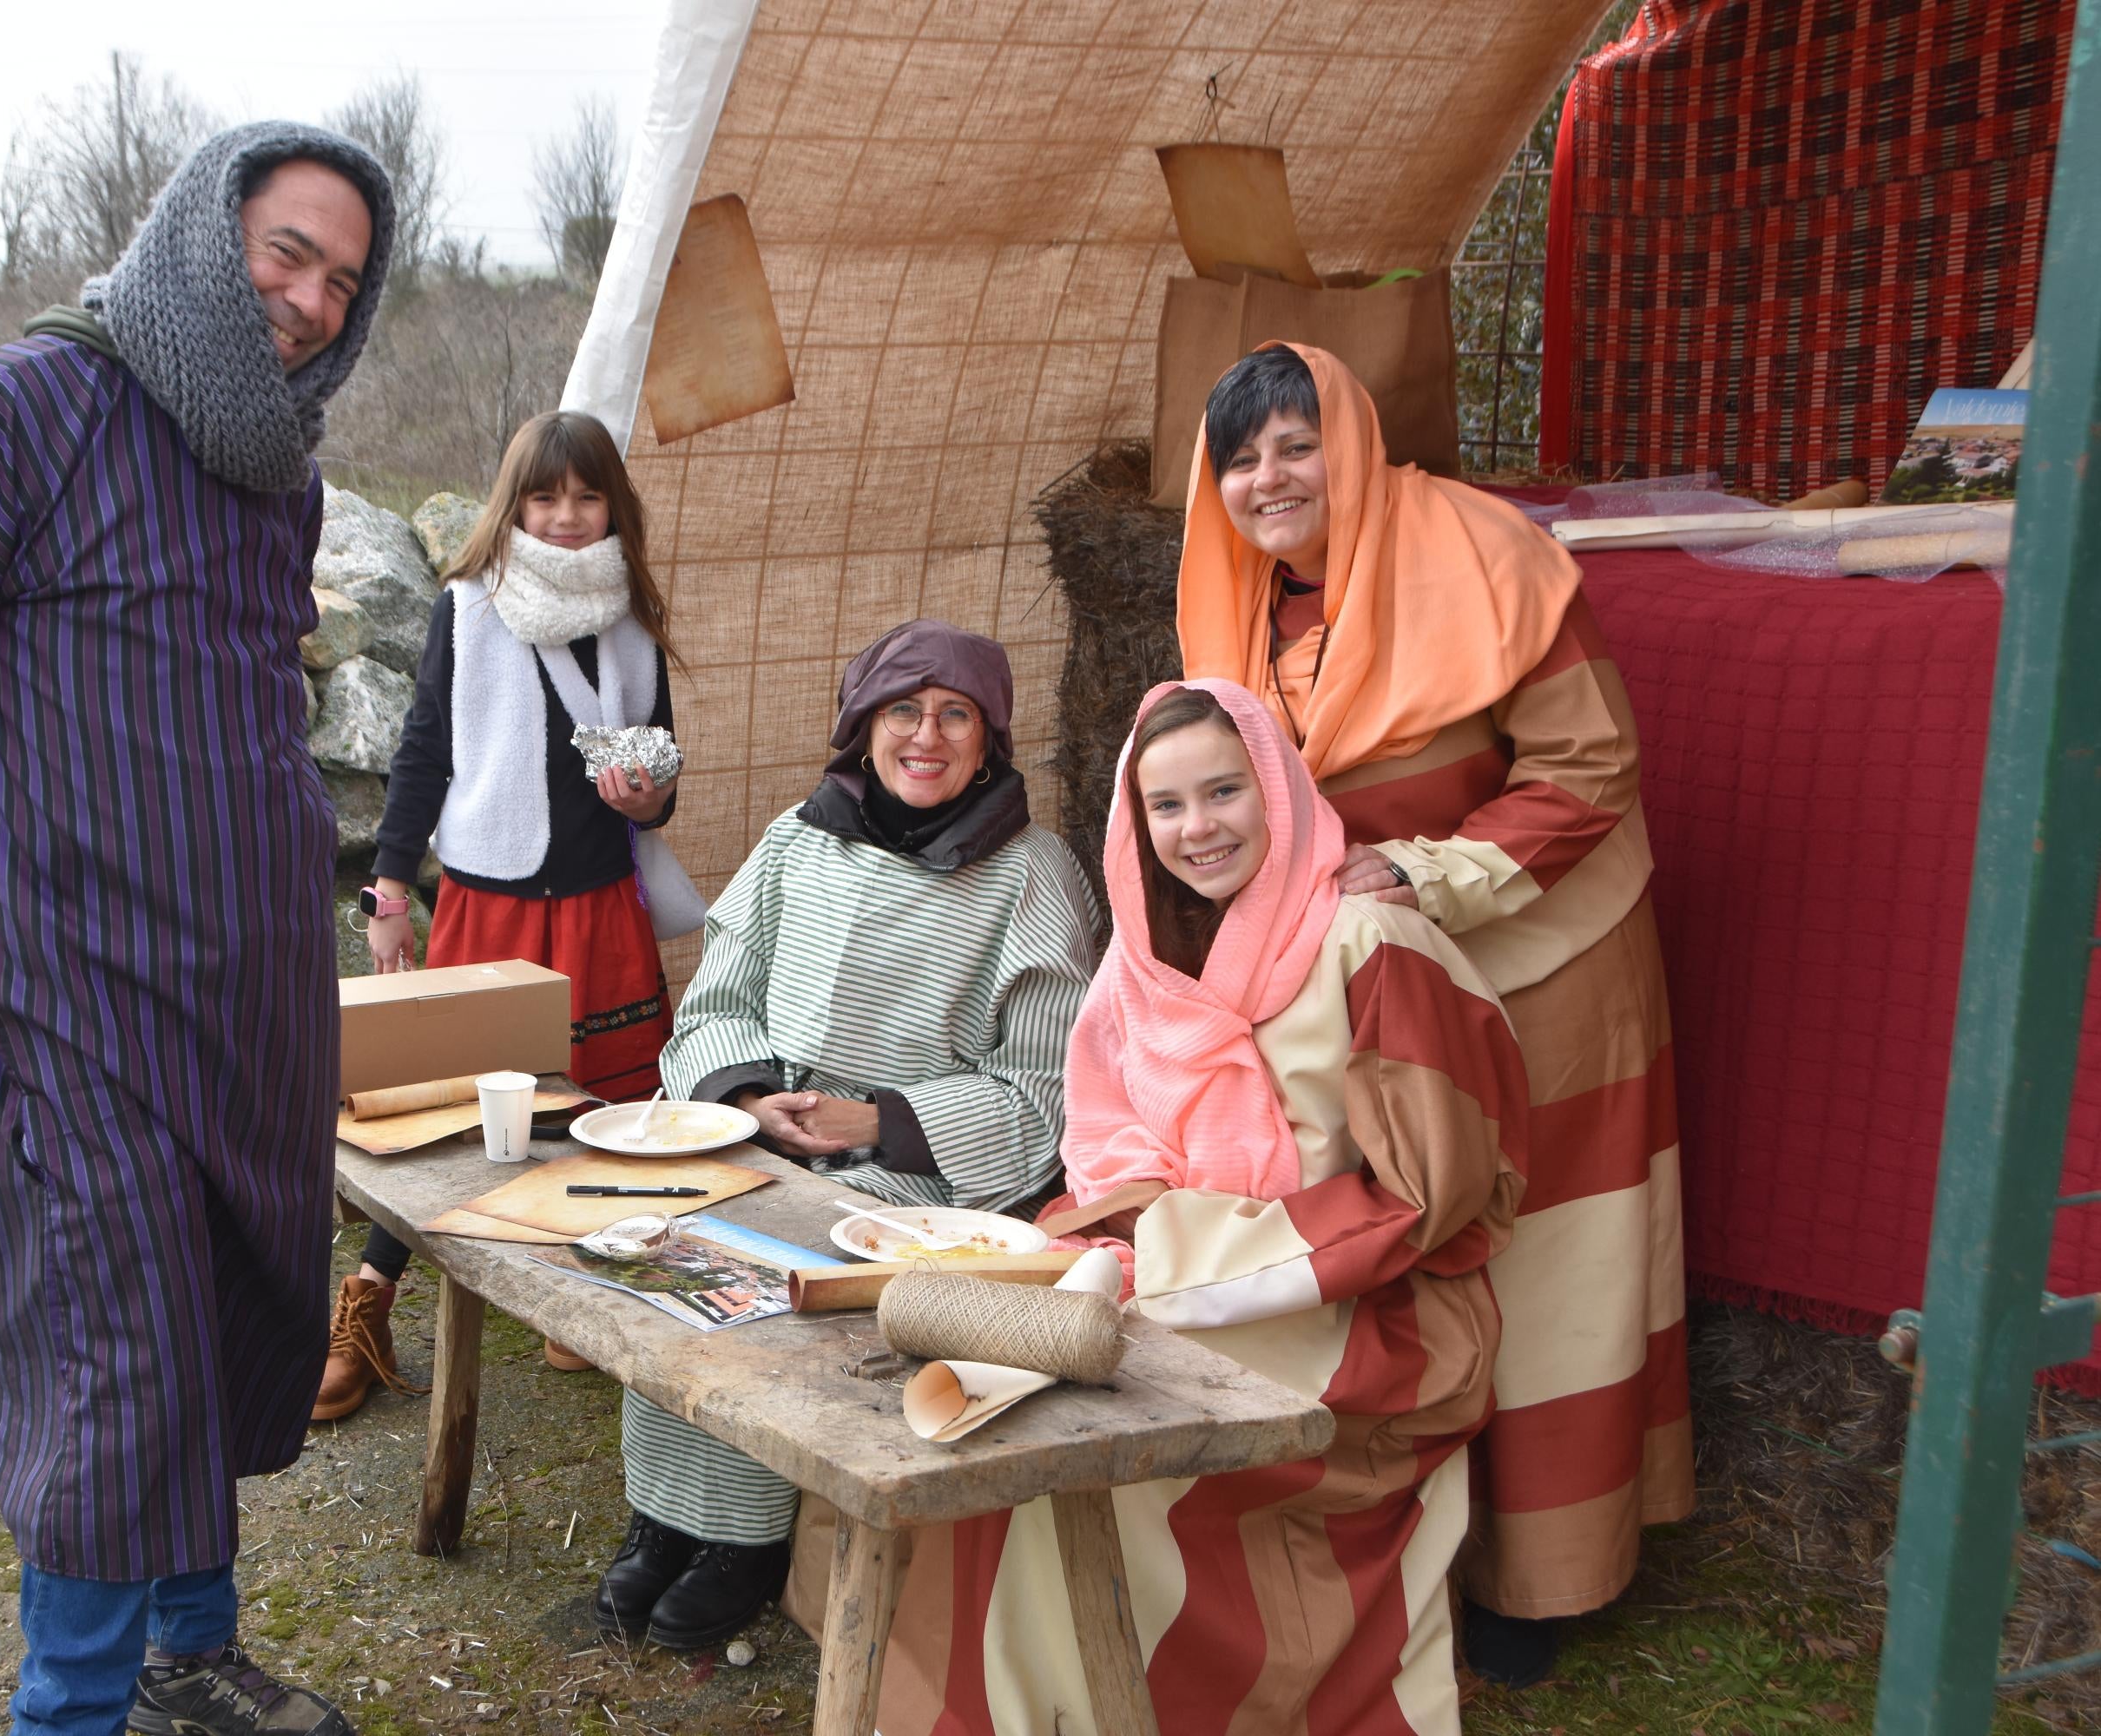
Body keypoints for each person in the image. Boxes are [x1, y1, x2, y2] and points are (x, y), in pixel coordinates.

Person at [0, 122, 392, 1736]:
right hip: (77, 981)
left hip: (250, 980)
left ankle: (186, 1654)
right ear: (201, 238)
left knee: (222, 1307)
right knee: (108, 1347)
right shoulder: (20, 406)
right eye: (285, 252)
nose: (307, 301)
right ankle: (66, 1711)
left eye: (343, 280)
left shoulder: (279, 468)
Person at [1176, 341, 1692, 1682]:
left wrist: (1430, 873)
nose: (1269, 477)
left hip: (1542, 960)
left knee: (1550, 1262)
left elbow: (1592, 766)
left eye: (1295, 444)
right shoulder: (1233, 604)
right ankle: (1426, 1554)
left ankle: (1552, 1575)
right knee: (1409, 1243)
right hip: (1377, 981)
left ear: (1348, 441)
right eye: (1240, 458)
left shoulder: (1483, 552)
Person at [876, 680, 1528, 1735]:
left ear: (1279, 791)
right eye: (1165, 806)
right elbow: (1106, 1136)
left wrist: (1173, 1259)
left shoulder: (1369, 941)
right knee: (993, 1431)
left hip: (1364, 1311)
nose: (1197, 828)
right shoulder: (1144, 960)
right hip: (1176, 1272)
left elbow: (1429, 1195)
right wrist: (1124, 1243)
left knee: (1074, 1453)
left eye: (1225, 790)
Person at [596, 619, 1102, 1651]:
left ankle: (744, 1535)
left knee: (768, 1276)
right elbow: (717, 1001)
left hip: (915, 1174)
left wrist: (880, 1121)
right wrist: (747, 1097)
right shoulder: (800, 837)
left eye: (956, 713)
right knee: (664, 1245)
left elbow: (1046, 1091)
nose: (928, 734)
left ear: (989, 737)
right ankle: (666, 1509)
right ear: (862, 725)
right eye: (904, 709)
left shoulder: (1032, 873)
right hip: (761, 1128)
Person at [313, 408, 684, 1419]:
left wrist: (650, 799)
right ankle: (368, 1300)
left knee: (607, 1104)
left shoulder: (635, 615)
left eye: (586, 494)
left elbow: (661, 764)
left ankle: (578, 1283)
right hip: (491, 902)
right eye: (544, 495)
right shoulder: (470, 607)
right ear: (514, 503)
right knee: (448, 1119)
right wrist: (390, 891)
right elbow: (424, 749)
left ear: (614, 503)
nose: (566, 515)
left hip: (603, 902)